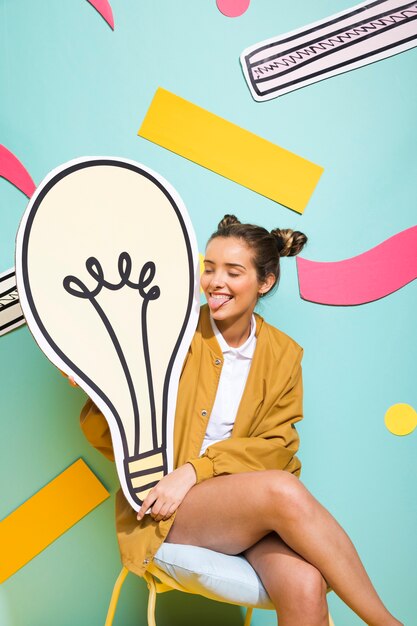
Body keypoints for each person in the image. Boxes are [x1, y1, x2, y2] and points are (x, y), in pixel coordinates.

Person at [77, 215, 403, 626]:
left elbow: (277, 450)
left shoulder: (284, 355)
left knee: (304, 582)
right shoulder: (168, 333)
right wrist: (99, 384)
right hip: (166, 507)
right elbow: (110, 429)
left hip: (242, 513)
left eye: (233, 272)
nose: (216, 282)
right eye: (209, 268)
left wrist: (199, 469)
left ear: (264, 282)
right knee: (282, 491)